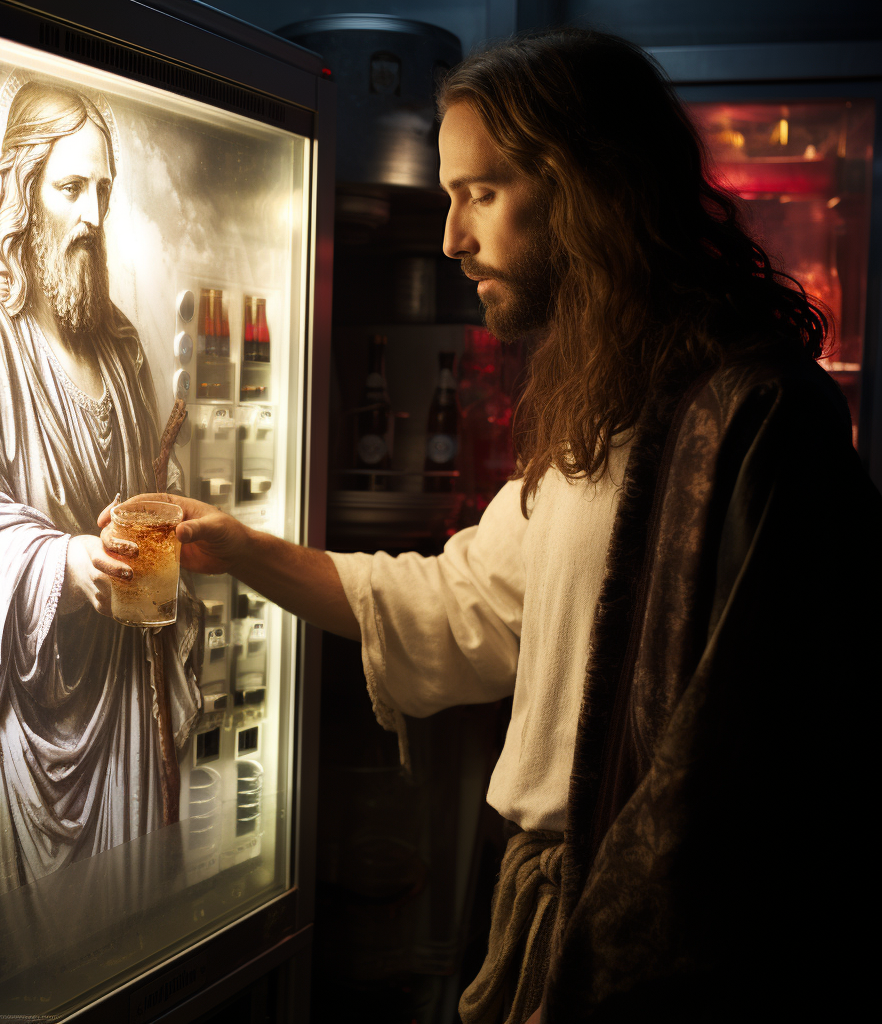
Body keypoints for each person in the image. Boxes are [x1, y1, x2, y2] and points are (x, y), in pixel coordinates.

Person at [98, 29, 879, 1023]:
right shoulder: (606, 405)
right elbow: (465, 601)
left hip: (644, 938)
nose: (449, 238)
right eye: (450, 195)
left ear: (589, 190)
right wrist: (239, 550)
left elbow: (760, 769)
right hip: (538, 899)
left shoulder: (756, 417)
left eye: (482, 192)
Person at [0, 81, 201, 901]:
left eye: (103, 189)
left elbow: (149, 482)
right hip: (34, 712)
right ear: (22, 190)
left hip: (124, 695)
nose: (92, 215)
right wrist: (63, 561)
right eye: (71, 187)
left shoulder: (120, 345)